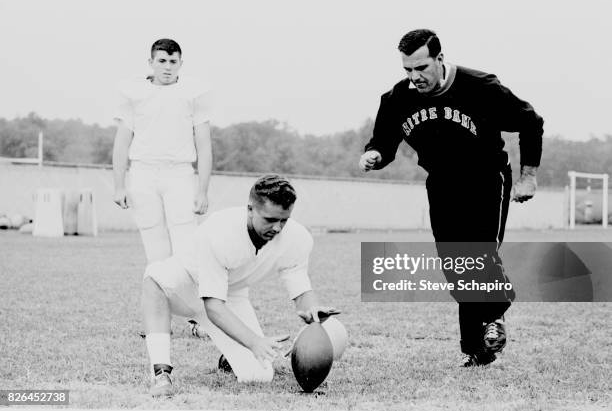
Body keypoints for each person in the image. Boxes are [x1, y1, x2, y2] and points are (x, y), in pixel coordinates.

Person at [359, 29, 544, 367]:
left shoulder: (481, 87)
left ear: (440, 59)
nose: (415, 77)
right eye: (408, 70)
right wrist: (373, 156)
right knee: (453, 262)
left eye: (422, 68)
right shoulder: (398, 98)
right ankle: (480, 349)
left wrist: (528, 176)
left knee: (477, 251)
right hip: (442, 183)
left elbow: (530, 120)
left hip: (486, 178)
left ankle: (491, 319)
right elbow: (384, 143)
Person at [142, 174, 337, 396]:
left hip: (229, 295)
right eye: (270, 219)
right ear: (250, 209)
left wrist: (312, 311)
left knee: (259, 376)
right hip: (184, 287)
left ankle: (229, 356)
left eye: (284, 219)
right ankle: (160, 373)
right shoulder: (219, 231)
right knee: (154, 278)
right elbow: (213, 306)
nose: (278, 227)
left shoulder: (298, 238)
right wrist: (254, 341)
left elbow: (301, 290)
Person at [112, 38, 212, 264]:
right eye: (162, 61)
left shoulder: (193, 94)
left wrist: (203, 190)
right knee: (154, 244)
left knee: (186, 243)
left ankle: (188, 298)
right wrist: (119, 186)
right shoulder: (134, 93)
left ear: (180, 63)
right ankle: (161, 298)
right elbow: (121, 143)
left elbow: (204, 145)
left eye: (173, 61)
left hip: (179, 173)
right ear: (151, 62)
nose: (168, 67)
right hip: (143, 172)